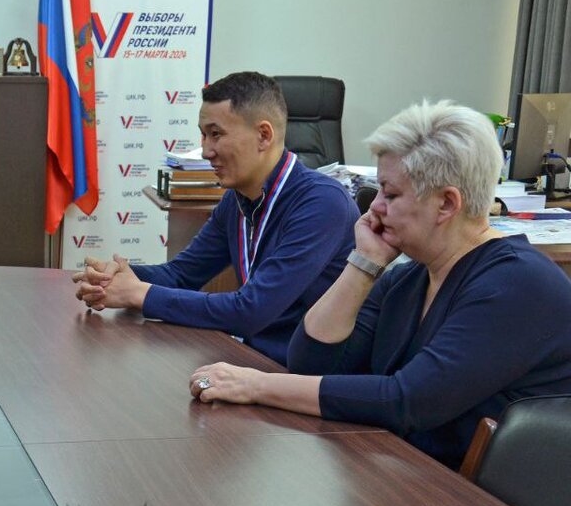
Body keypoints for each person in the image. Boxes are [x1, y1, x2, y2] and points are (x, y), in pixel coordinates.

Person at [189, 100, 571, 469]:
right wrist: (363, 264)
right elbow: (310, 361)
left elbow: (409, 400)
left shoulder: (517, 284)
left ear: (447, 204)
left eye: (390, 194)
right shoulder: (412, 276)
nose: (374, 209)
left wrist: (256, 386)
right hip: (410, 475)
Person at [73, 71, 358, 364]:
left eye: (216, 134)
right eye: (203, 134)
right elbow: (181, 275)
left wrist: (139, 294)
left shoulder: (322, 203)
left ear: (263, 135)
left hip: (299, 380)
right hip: (249, 361)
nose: (206, 151)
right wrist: (118, 277)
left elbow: (251, 311)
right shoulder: (236, 201)